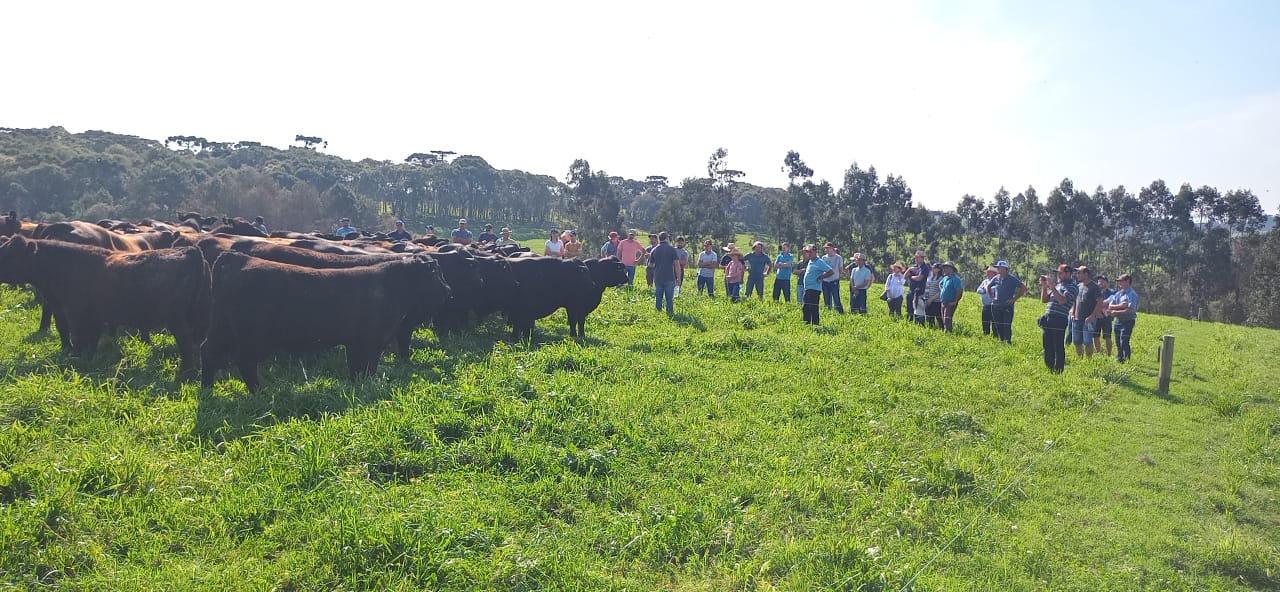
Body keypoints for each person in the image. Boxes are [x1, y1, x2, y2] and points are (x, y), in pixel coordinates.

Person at [1039, 264, 1077, 373]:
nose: (1058, 275)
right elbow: (1044, 299)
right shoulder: (1059, 285)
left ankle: (1058, 370)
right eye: (1058, 273)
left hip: (1059, 319)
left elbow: (1062, 300)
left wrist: (1052, 286)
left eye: (1060, 273)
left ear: (1068, 273)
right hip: (1048, 317)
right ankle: (1049, 368)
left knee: (1058, 346)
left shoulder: (1072, 287)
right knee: (1047, 345)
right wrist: (1044, 286)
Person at [988, 260, 1027, 343]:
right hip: (996, 305)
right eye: (998, 268)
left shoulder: (1012, 279)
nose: (998, 269)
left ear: (1005, 269)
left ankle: (1008, 341)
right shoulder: (996, 278)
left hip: (1007, 306)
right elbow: (988, 286)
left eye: (1000, 268)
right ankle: (1001, 340)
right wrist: (991, 297)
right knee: (998, 324)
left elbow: (1023, 287)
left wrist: (1014, 299)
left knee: (1006, 324)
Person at [1069, 265, 1104, 358]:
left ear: (1086, 274)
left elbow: (1100, 301)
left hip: (1088, 319)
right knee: (1076, 340)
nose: (1077, 275)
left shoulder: (1094, 287)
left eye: (1079, 273)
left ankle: (1088, 360)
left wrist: (1093, 316)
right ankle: (1080, 358)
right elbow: (1075, 300)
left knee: (1087, 341)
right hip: (1076, 318)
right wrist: (1073, 313)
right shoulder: (1078, 286)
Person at [1106, 274, 1139, 363]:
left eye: (1121, 281)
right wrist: (1120, 306)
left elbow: (1130, 310)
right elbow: (1110, 306)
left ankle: (1127, 359)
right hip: (1118, 321)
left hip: (1128, 321)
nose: (1119, 283)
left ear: (1127, 281)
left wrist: (1116, 311)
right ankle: (1120, 359)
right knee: (1117, 342)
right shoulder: (1118, 294)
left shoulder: (1132, 294)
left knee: (1124, 341)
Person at [800, 245, 834, 325]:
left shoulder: (819, 262)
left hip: (814, 289)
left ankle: (815, 324)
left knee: (813, 308)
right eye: (808, 252)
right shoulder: (811, 261)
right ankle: (807, 324)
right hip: (808, 288)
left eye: (810, 252)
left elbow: (830, 271)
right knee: (806, 307)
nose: (809, 254)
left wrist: (822, 277)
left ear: (815, 252)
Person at [650, 231, 679, 314]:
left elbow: (651, 265)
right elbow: (677, 265)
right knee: (669, 298)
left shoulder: (654, 250)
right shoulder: (672, 249)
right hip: (669, 277)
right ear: (667, 238)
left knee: (658, 297)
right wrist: (678, 278)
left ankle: (658, 312)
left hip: (658, 277)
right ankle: (670, 313)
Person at [1092, 275, 1116, 357]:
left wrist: (1098, 304)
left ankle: (1109, 354)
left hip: (1107, 317)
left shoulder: (1112, 292)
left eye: (1102, 281)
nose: (1100, 283)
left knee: (1107, 336)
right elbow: (1092, 303)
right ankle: (1098, 352)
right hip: (1096, 316)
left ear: (1107, 283)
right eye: (1099, 281)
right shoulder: (1095, 291)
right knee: (1095, 335)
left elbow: (1109, 304)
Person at [938, 261, 963, 332]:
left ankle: (949, 333)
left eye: (946, 268)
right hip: (943, 302)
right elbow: (940, 284)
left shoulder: (955, 279)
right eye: (944, 268)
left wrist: (955, 301)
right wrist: (942, 290)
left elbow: (960, 290)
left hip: (950, 302)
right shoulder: (945, 278)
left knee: (947, 319)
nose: (944, 270)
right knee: (944, 319)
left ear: (951, 269)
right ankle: (946, 332)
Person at [820, 243, 844, 313]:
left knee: (836, 298)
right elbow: (822, 268)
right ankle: (828, 312)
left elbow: (840, 269)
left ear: (832, 248)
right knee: (826, 299)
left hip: (834, 281)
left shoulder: (838, 257)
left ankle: (840, 312)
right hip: (825, 281)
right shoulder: (824, 257)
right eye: (825, 248)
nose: (826, 249)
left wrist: (838, 277)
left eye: (827, 248)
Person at [906, 250, 930, 322]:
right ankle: (909, 322)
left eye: (917, 257)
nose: (915, 258)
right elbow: (905, 276)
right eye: (915, 257)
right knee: (909, 309)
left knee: (918, 310)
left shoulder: (925, 267)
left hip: (919, 292)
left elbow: (919, 278)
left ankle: (919, 323)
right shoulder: (913, 267)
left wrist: (911, 277)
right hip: (911, 291)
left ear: (922, 258)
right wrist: (909, 269)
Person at [975, 266, 998, 336]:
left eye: (989, 272)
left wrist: (989, 290)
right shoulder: (985, 281)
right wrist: (984, 290)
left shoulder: (997, 281)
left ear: (994, 274)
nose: (987, 274)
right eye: (987, 272)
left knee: (994, 322)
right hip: (985, 305)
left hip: (994, 305)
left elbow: (996, 290)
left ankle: (995, 336)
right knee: (985, 321)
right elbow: (978, 290)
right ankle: (986, 334)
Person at [924, 263, 943, 328]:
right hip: (928, 300)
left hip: (937, 301)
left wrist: (932, 299)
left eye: (934, 268)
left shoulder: (941, 278)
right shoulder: (931, 277)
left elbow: (941, 291)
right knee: (929, 318)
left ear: (938, 269)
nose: (932, 269)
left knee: (939, 318)